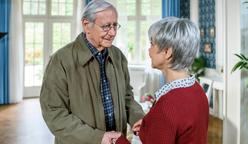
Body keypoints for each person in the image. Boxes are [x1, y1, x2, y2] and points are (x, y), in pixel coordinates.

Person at [39, 0, 144, 144]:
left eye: (115, 25)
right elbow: (54, 114)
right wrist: (97, 137)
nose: (112, 33)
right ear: (86, 25)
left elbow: (126, 97)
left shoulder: (118, 56)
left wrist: (137, 117)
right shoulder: (61, 60)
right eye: (106, 26)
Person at [116, 17, 209, 144]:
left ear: (167, 52)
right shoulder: (198, 90)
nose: (149, 51)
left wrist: (117, 141)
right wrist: (151, 127)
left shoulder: (168, 105)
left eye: (152, 44)